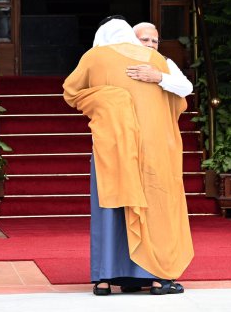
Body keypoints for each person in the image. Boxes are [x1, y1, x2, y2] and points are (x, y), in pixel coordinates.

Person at [63, 16, 194, 296]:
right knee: (152, 207)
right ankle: (156, 278)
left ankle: (104, 280)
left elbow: (71, 93)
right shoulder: (155, 60)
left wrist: (104, 99)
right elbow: (180, 101)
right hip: (154, 148)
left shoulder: (94, 57)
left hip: (112, 148)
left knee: (111, 208)